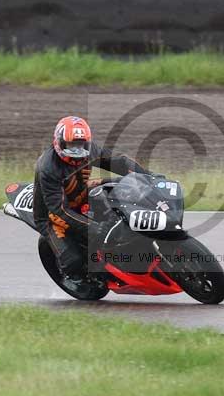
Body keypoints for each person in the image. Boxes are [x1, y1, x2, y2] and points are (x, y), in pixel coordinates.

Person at [32, 116, 152, 282]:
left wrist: (148, 177)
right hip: (52, 215)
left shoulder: (90, 150)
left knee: (127, 184)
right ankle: (83, 272)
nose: (77, 151)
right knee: (73, 262)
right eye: (72, 145)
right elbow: (59, 209)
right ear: (59, 142)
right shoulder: (48, 167)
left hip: (80, 194)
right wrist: (91, 227)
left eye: (81, 145)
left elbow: (120, 162)